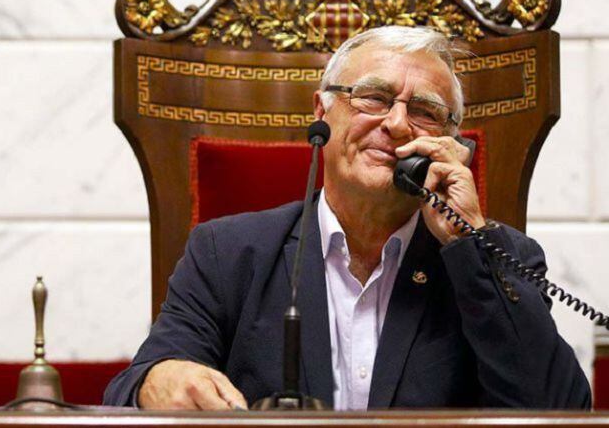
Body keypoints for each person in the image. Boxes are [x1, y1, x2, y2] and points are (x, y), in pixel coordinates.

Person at [104, 26, 591, 410]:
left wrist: (469, 242)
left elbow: (559, 409)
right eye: (374, 98)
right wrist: (158, 379)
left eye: (423, 111)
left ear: (452, 144)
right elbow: (130, 390)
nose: (396, 124)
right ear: (323, 111)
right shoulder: (228, 252)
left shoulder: (496, 256)